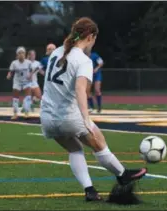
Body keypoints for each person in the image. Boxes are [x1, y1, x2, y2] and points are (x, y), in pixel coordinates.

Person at [40, 17, 147, 202]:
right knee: (99, 143)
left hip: (47, 118)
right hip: (69, 116)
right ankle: (122, 174)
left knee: (74, 149)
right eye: (95, 39)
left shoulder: (56, 52)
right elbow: (81, 90)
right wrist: (86, 119)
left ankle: (90, 190)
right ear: (90, 36)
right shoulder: (84, 60)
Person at [6, 47, 32, 119]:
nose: (21, 54)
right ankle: (15, 114)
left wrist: (31, 75)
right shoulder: (14, 63)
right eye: (19, 53)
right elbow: (11, 71)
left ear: (25, 54)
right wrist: (9, 75)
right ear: (17, 55)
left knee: (28, 98)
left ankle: (26, 113)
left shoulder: (28, 62)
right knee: (15, 98)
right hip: (17, 82)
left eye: (23, 53)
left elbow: (32, 70)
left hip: (26, 82)